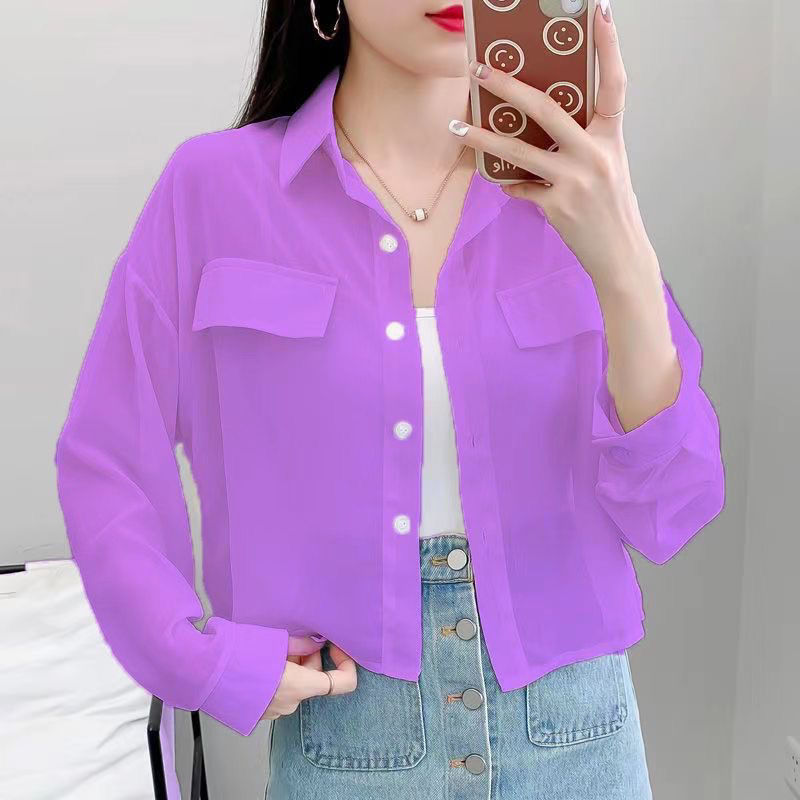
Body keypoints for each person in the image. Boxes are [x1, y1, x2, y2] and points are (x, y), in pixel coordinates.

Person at [54, 0, 725, 798]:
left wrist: (622, 251)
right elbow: (107, 457)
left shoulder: (573, 195)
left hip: (579, 740)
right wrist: (195, 658)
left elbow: (673, 508)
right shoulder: (211, 190)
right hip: (351, 740)